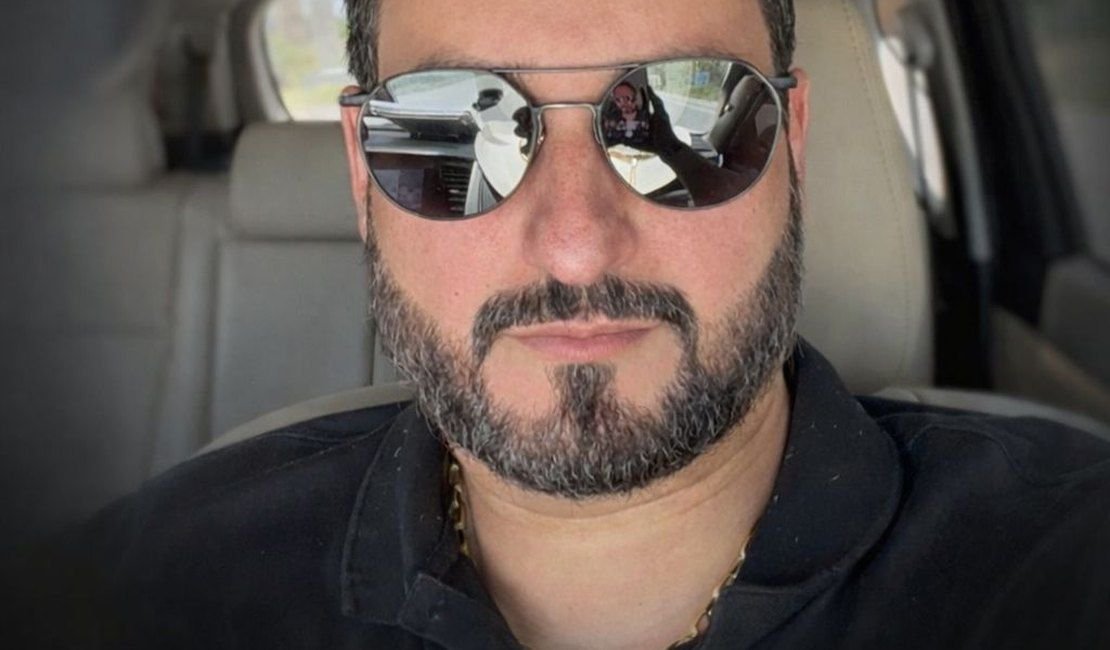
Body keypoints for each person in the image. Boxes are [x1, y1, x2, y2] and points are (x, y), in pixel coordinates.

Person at [17, 0, 1110, 648]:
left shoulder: (1061, 571)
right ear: (361, 171)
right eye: (452, 132)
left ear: (792, 145)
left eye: (688, 120)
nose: (578, 245)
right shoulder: (135, 595)